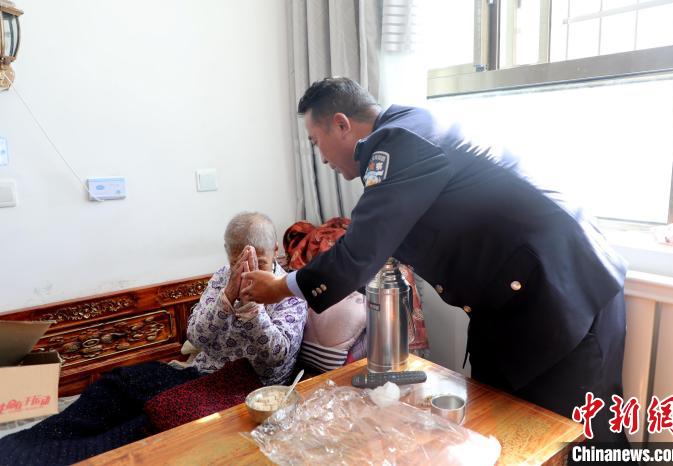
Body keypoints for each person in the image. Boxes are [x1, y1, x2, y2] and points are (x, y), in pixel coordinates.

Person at [242, 77, 629, 444]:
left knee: (574, 440)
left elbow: (361, 249)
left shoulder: (397, 142)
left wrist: (281, 287)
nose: (322, 158)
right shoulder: (412, 129)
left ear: (342, 124)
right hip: (517, 302)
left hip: (561, 294)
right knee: (504, 430)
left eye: (316, 141)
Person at [188, 211, 307, 386]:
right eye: (237, 264)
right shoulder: (222, 276)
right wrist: (227, 297)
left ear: (275, 250)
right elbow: (195, 337)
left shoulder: (289, 290)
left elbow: (277, 357)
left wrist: (251, 308)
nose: (249, 273)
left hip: (255, 387)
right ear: (227, 252)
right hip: (205, 375)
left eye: (260, 264)